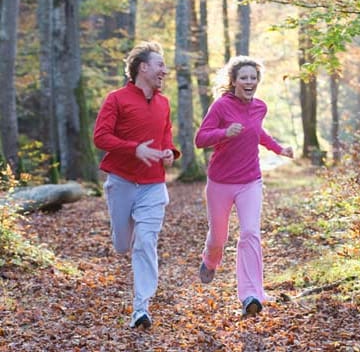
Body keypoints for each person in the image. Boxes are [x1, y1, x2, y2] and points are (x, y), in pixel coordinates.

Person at [194, 56, 294, 317]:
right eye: (244, 78)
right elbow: (200, 138)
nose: (249, 82)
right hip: (220, 183)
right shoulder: (221, 106)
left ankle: (251, 294)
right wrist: (224, 133)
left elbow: (257, 132)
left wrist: (279, 148)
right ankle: (210, 259)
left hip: (250, 181)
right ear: (234, 81)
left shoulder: (260, 107)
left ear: (257, 81)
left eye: (253, 78)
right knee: (219, 237)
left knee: (250, 233)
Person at [93, 41, 181, 329]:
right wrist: (135, 149)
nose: (164, 71)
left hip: (154, 184)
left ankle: (141, 308)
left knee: (145, 242)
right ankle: (125, 234)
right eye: (160, 65)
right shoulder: (116, 99)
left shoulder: (163, 103)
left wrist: (169, 153)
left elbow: (165, 136)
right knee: (122, 244)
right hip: (121, 182)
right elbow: (101, 138)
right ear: (143, 67)